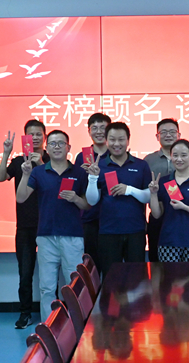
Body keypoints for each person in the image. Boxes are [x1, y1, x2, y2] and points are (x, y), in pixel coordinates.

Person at [16, 130, 90, 322]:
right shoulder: (39, 172)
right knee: (47, 287)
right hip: (46, 236)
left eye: (61, 143)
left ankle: (76, 326)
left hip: (72, 236)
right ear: (46, 148)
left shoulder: (79, 172)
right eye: (53, 144)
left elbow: (87, 205)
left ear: (68, 147)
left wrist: (75, 199)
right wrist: (25, 175)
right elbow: (21, 198)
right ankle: (50, 328)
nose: (57, 147)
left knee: (75, 285)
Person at [0, 119, 49, 329]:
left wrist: (41, 164)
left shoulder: (51, 160)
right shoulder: (19, 161)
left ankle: (51, 315)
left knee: (49, 274)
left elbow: (53, 183)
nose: (35, 138)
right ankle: (25, 313)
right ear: (25, 137)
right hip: (25, 227)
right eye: (31, 134)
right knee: (25, 274)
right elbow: (1, 177)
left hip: (47, 226)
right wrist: (6, 153)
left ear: (45, 137)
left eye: (38, 134)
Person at [85, 122, 151, 277]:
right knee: (110, 278)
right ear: (106, 141)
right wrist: (92, 178)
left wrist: (129, 190)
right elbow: (92, 201)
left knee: (136, 278)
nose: (117, 144)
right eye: (112, 139)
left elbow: (148, 196)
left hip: (136, 230)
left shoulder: (141, 165)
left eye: (121, 139)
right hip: (108, 231)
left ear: (128, 140)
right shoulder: (99, 166)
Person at [144, 119, 189, 262]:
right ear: (157, 136)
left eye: (172, 132)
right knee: (158, 261)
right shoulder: (149, 160)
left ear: (179, 135)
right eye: (163, 132)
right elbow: (144, 190)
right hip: (159, 214)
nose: (168, 135)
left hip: (185, 217)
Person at [148, 139, 189, 262]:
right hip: (168, 241)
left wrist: (185, 207)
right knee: (169, 274)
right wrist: (153, 194)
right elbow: (156, 214)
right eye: (175, 155)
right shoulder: (165, 181)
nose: (179, 159)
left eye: (183, 155)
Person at [74, 113, 111, 269]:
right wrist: (83, 174)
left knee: (111, 266)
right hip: (89, 218)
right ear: (89, 131)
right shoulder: (82, 157)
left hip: (111, 218)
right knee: (91, 266)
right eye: (94, 128)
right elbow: (76, 187)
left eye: (103, 128)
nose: (99, 131)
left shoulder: (116, 154)